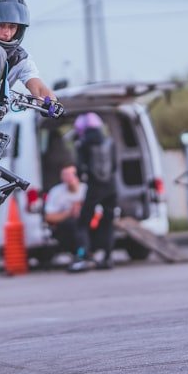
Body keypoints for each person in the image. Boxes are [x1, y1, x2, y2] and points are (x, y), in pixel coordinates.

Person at [68, 112, 117, 272]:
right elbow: (115, 166)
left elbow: (80, 169)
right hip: (111, 187)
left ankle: (82, 256)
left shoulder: (82, 144)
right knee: (108, 222)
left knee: (82, 223)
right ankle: (108, 258)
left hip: (95, 187)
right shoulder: (110, 142)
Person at [44, 164, 86, 257]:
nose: (68, 178)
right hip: (66, 227)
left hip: (87, 223)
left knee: (83, 226)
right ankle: (81, 255)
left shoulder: (86, 189)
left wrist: (82, 211)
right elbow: (48, 217)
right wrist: (69, 213)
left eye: (71, 175)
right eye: (65, 175)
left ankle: (83, 255)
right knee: (75, 225)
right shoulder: (56, 192)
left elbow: (99, 211)